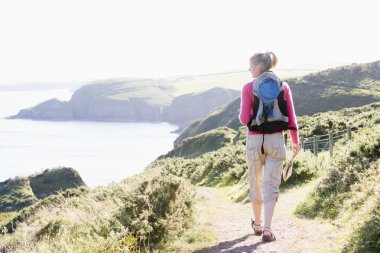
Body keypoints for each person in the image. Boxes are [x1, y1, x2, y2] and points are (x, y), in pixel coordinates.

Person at [239, 51, 300, 242]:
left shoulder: (248, 87)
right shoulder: (283, 86)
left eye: (251, 66)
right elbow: (291, 117)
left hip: (255, 140)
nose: (249, 69)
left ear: (258, 67)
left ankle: (256, 224)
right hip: (276, 139)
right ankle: (267, 229)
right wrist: (295, 141)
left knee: (255, 182)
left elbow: (243, 119)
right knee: (271, 185)